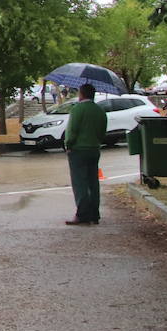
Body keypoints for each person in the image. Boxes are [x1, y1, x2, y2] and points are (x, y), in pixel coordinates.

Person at [64, 82, 107, 225]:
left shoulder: (77, 109)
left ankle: (82, 214)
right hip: (94, 149)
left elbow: (72, 130)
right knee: (93, 182)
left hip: (79, 150)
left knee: (80, 182)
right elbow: (102, 132)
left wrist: (68, 145)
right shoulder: (100, 110)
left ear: (81, 94)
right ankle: (94, 213)